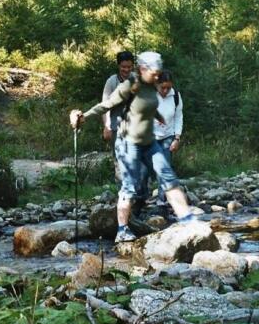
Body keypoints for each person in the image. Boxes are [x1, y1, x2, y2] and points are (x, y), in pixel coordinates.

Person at [70, 51, 196, 243]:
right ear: (143, 68)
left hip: (149, 142)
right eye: (154, 72)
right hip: (128, 143)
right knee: (130, 186)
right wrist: (84, 117)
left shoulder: (152, 84)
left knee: (168, 177)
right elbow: (106, 104)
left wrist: (159, 117)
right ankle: (122, 230)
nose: (157, 76)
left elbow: (147, 105)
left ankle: (188, 222)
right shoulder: (129, 85)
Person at [153, 70, 183, 219]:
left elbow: (178, 117)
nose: (165, 91)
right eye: (162, 87)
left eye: (168, 88)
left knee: (164, 170)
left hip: (168, 137)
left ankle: (162, 204)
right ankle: (137, 204)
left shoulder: (176, 96)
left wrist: (177, 138)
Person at [102, 51, 135, 182]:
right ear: (118, 66)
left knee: (135, 158)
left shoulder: (137, 79)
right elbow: (104, 106)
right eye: (123, 67)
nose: (126, 70)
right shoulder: (111, 82)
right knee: (119, 160)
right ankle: (121, 188)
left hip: (134, 127)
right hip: (116, 126)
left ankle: (138, 189)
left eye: (129, 66)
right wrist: (107, 127)